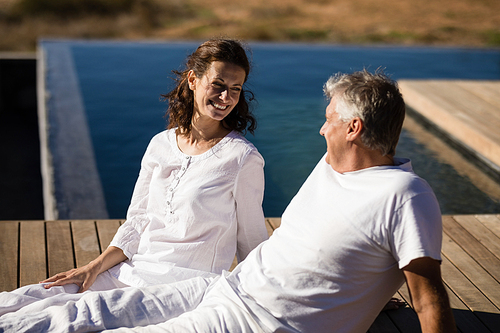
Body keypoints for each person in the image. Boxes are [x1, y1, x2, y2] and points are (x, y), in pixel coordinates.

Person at [0, 69, 456, 333]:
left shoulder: (404, 195)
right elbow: (336, 247)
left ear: (353, 129)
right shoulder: (331, 168)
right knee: (85, 311)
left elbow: (430, 301)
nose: (322, 129)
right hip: (228, 285)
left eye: (329, 120)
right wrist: (368, 291)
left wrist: (370, 295)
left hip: (256, 320)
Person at [0, 38, 268, 316]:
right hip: (130, 270)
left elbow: (252, 241)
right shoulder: (160, 144)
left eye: (235, 89)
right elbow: (138, 221)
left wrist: (256, 305)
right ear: (193, 79)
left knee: (63, 318)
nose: (226, 98)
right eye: (218, 85)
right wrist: (94, 267)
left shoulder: (241, 158)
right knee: (29, 298)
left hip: (182, 289)